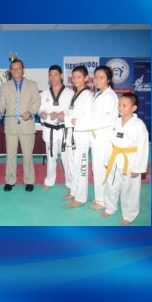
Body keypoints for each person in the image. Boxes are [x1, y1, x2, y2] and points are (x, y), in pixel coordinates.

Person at [66, 65, 119, 210]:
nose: (98, 80)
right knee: (97, 170)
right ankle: (99, 198)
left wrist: (81, 123)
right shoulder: (98, 94)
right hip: (95, 138)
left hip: (104, 139)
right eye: (96, 77)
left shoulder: (109, 96)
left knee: (102, 171)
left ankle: (102, 201)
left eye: (101, 77)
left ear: (108, 79)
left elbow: (105, 121)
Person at [101, 93, 149, 225]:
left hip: (131, 161)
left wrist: (138, 168)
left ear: (133, 108)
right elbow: (109, 142)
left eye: (124, 105)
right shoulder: (115, 122)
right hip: (114, 158)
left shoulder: (139, 125)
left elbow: (143, 148)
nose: (120, 108)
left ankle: (129, 215)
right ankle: (110, 207)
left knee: (130, 190)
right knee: (111, 185)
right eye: (119, 105)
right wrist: (107, 160)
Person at [0, 59, 40, 192]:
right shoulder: (5, 86)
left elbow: (36, 102)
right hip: (11, 126)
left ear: (23, 69)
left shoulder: (32, 85)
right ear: (10, 71)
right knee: (10, 155)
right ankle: (10, 180)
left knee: (28, 155)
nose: (16, 71)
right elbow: (2, 103)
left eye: (18, 68)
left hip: (27, 125)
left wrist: (31, 112)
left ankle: (29, 180)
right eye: (13, 69)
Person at [63, 65, 94, 206]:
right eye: (73, 77)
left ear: (86, 78)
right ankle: (74, 192)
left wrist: (68, 119)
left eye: (79, 77)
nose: (75, 79)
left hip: (81, 137)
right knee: (71, 166)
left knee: (80, 167)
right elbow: (72, 115)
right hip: (71, 135)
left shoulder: (87, 95)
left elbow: (86, 120)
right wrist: (67, 117)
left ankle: (81, 198)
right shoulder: (75, 94)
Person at [38, 64, 73, 190]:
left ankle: (70, 183)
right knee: (51, 157)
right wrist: (45, 115)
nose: (53, 78)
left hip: (64, 129)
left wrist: (63, 115)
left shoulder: (70, 93)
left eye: (56, 74)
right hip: (50, 129)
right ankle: (49, 181)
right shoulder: (44, 93)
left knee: (66, 158)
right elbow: (40, 111)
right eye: (51, 75)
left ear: (61, 75)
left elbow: (72, 111)